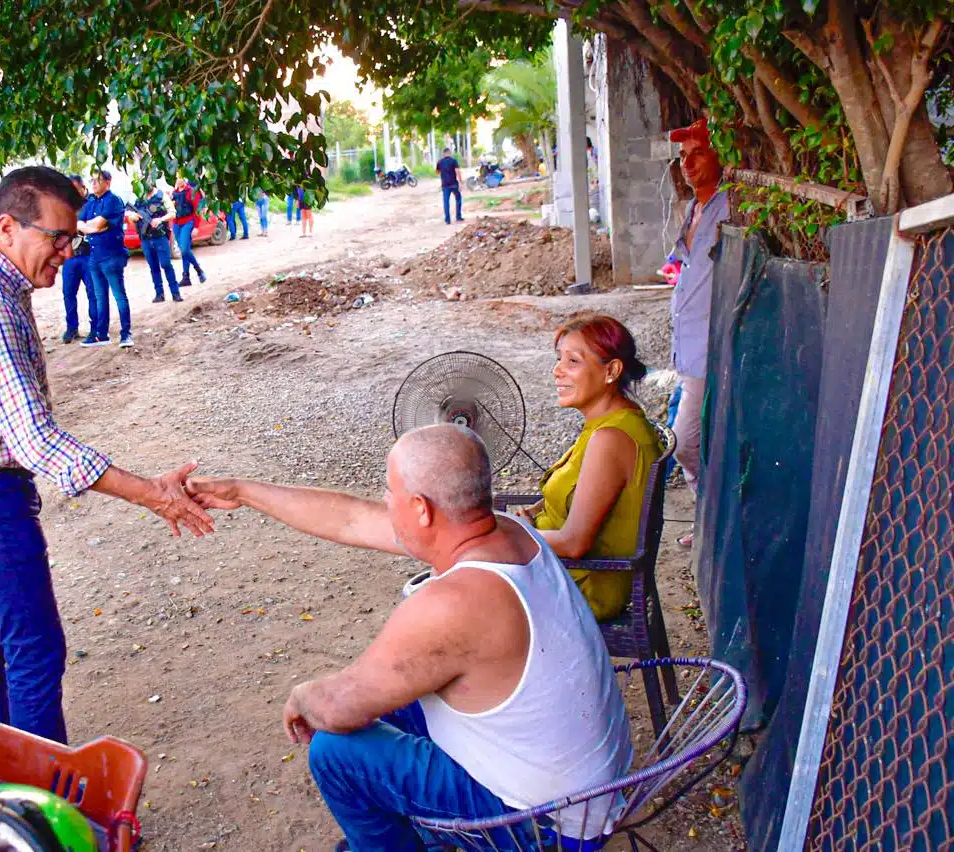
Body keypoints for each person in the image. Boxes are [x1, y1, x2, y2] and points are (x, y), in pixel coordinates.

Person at [186, 424, 631, 849]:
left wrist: (303, 696)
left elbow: (339, 708)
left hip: (542, 825)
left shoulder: (454, 602)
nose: (383, 501)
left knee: (335, 752)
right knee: (395, 702)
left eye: (389, 492)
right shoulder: (506, 531)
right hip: (588, 788)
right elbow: (352, 520)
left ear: (421, 509)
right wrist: (242, 491)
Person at [0, 166, 215, 743]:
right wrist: (155, 495)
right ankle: (40, 810)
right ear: (6, 226)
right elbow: (37, 440)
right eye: (58, 238)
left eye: (72, 238)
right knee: (34, 649)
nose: (67, 252)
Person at [514, 313, 661, 621]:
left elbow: (574, 542)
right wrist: (535, 512)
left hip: (583, 587)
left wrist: (517, 533)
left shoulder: (612, 438)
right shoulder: (609, 423)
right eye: (559, 360)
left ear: (611, 371)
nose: (557, 371)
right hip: (564, 571)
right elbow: (581, 494)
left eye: (573, 362)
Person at [668, 119, 729, 549]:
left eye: (697, 154)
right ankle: (709, 523)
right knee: (692, 437)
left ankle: (716, 520)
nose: (687, 164)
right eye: (683, 156)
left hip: (711, 347)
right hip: (686, 347)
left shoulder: (730, 207)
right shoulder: (694, 208)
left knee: (686, 440)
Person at [78, 171, 133, 348]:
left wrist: (92, 226)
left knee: (119, 296)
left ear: (108, 182)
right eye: (92, 180)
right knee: (100, 297)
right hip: (94, 256)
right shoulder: (91, 202)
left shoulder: (113, 201)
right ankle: (101, 334)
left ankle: (126, 335)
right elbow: (78, 224)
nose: (93, 183)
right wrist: (92, 228)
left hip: (112, 255)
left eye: (98, 180)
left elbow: (97, 224)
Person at [60, 176, 98, 343]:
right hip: (70, 257)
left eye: (77, 188)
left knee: (93, 293)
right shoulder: (64, 206)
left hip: (88, 255)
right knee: (68, 293)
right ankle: (72, 328)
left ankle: (96, 327)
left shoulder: (92, 204)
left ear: (83, 188)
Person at [128, 182, 180, 303]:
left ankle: (175, 292)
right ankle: (159, 294)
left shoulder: (161, 196)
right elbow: (132, 219)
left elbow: (173, 213)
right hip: (145, 238)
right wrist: (132, 217)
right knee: (153, 267)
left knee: (166, 264)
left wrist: (160, 219)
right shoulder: (139, 198)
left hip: (160, 236)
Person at [171, 177, 206, 289]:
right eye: (177, 177)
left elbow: (197, 209)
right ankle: (186, 277)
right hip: (176, 223)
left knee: (185, 249)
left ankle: (198, 270)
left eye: (181, 177)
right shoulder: (174, 193)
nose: (178, 180)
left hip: (188, 222)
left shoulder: (191, 191)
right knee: (183, 250)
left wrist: (196, 226)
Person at [436, 148, 464, 225]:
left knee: (446, 202)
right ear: (449, 153)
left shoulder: (440, 162)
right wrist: (461, 182)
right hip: (454, 184)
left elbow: (437, 172)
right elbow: (457, 171)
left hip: (445, 185)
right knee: (458, 199)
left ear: (443, 153)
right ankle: (458, 216)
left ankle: (447, 220)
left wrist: (442, 171)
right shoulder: (453, 161)